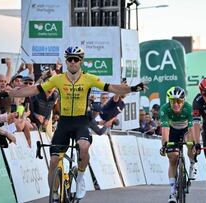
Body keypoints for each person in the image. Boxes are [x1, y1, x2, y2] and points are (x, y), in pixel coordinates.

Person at [8, 46, 145, 200]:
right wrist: (13, 92)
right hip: (64, 123)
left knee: (84, 146)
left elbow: (112, 87)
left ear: (81, 61)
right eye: (69, 59)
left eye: (76, 59)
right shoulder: (57, 79)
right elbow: (35, 90)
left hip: (81, 121)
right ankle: (54, 194)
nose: (72, 62)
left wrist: (133, 88)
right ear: (66, 61)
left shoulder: (89, 78)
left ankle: (80, 178)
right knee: (53, 161)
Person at [158, 86, 195, 203]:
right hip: (172, 130)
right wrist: (164, 145)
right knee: (172, 158)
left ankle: (192, 163)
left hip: (185, 130)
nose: (176, 104)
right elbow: (164, 129)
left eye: (179, 101)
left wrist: (193, 144)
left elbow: (192, 128)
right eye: (173, 101)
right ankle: (173, 192)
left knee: (190, 142)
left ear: (183, 101)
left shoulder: (189, 108)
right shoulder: (164, 109)